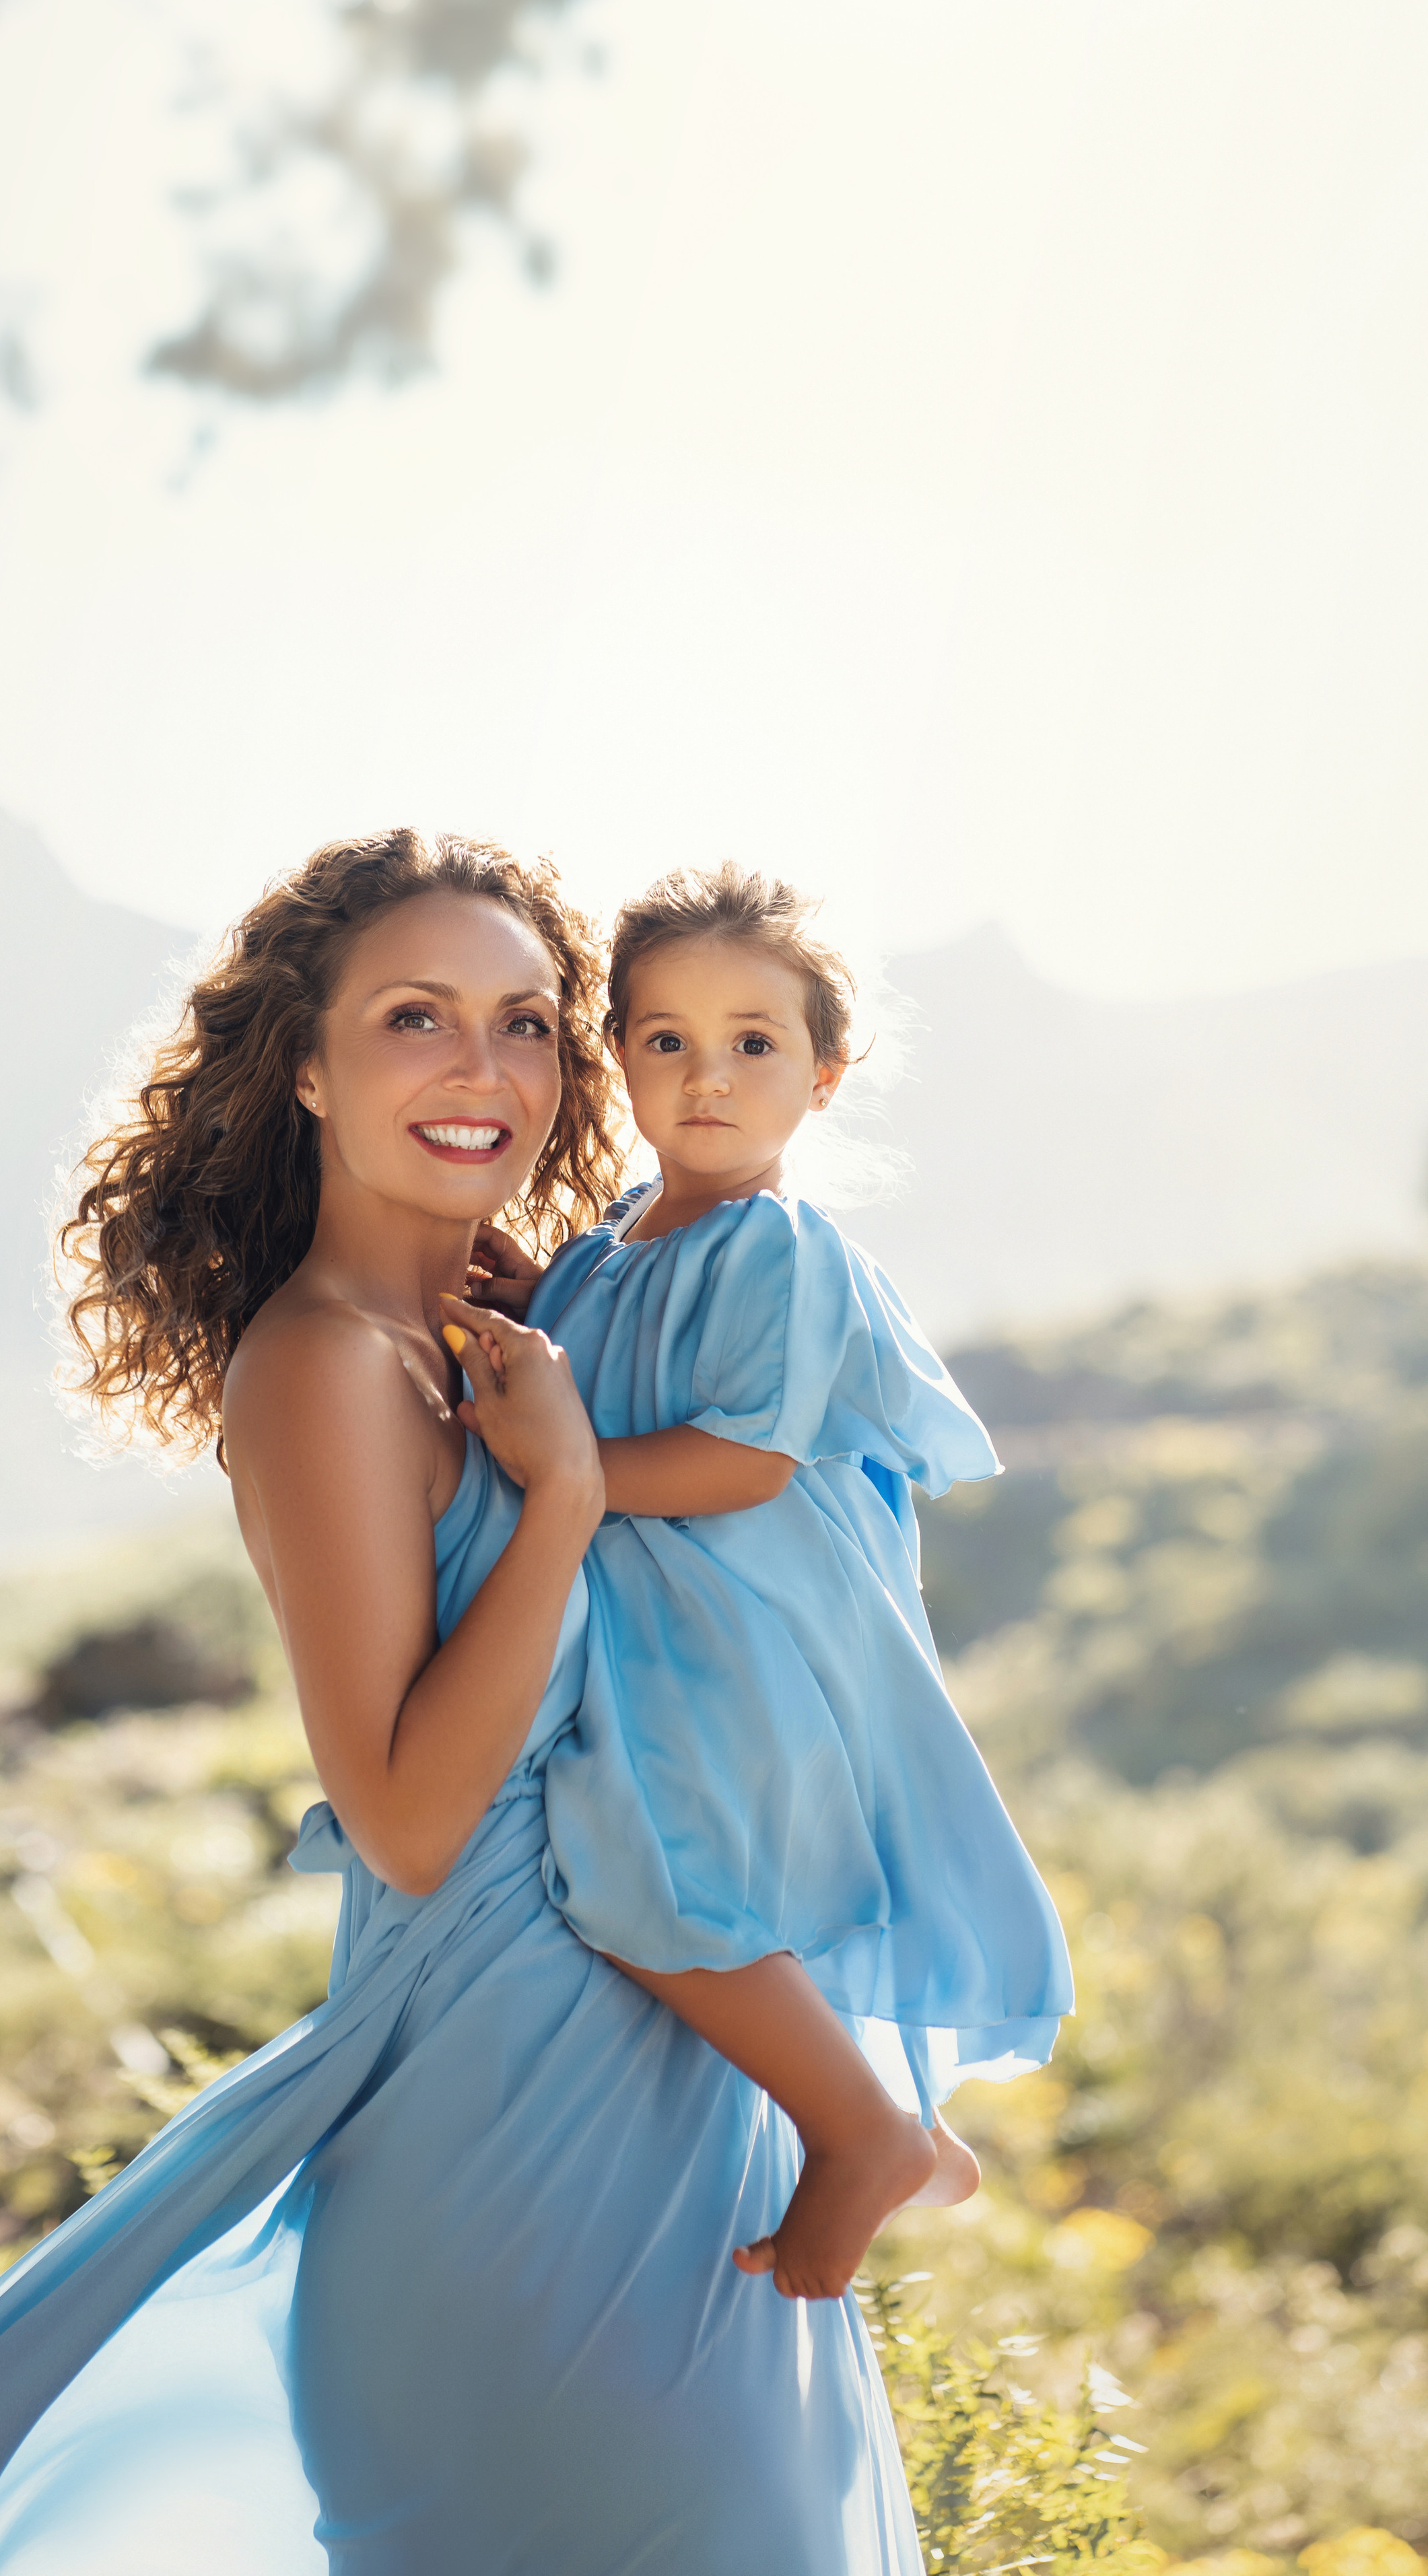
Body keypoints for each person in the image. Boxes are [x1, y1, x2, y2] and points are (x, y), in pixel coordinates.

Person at [0, 832, 925, 2576]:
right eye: (415, 1016)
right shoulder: (319, 1367)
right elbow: (409, 1818)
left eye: (529, 1024)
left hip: (684, 2107)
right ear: (305, 1061)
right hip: (506, 2141)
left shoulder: (506, 1337)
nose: (485, 1069)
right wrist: (570, 1503)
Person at [452, 862, 1073, 2307]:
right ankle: (903, 2135)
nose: (704, 1078)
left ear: (823, 1074)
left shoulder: (779, 1246)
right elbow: (603, 1362)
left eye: (752, 1044)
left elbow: (739, 1459)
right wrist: (530, 1296)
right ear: (614, 1059)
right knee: (677, 1868)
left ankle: (855, 2130)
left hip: (737, 1635)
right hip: (652, 1624)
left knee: (645, 1873)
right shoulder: (615, 1239)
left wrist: (564, 1463)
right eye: (663, 1040)